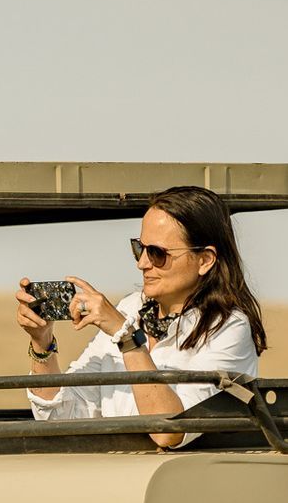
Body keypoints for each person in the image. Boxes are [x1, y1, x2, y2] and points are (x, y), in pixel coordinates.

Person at [16, 185, 268, 449]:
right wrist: (42, 345)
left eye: (157, 253)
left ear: (204, 260)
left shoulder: (228, 328)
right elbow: (62, 417)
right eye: (139, 248)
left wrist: (126, 338)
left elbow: (170, 430)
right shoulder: (130, 308)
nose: (142, 263)